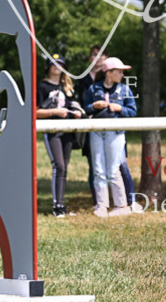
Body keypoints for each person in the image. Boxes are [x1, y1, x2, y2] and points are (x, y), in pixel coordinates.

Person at [84, 56, 138, 217]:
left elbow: (132, 111)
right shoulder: (94, 89)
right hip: (96, 131)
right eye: (119, 71)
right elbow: (86, 108)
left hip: (115, 132)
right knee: (98, 169)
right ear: (108, 73)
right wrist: (94, 105)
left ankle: (121, 205)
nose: (122, 74)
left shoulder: (125, 90)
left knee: (114, 168)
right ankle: (101, 205)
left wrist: (118, 108)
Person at [35, 54, 84, 217]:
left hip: (67, 131)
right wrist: (54, 111)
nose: (57, 66)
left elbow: (74, 104)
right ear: (48, 67)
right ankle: (57, 207)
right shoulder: (42, 87)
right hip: (52, 131)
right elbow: (35, 112)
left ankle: (62, 205)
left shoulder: (67, 88)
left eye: (60, 64)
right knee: (59, 166)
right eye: (53, 64)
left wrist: (77, 112)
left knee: (64, 168)